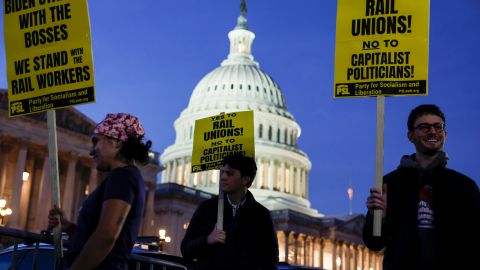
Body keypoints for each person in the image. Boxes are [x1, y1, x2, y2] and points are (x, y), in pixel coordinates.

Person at [363, 104, 480, 270]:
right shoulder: (389, 184)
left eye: (438, 126)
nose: (432, 131)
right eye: (424, 127)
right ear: (410, 136)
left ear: (445, 134)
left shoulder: (464, 187)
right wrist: (379, 216)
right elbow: (374, 243)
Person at [48, 113, 152, 270]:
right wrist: (69, 226)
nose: (91, 151)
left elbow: (107, 236)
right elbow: (95, 236)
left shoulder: (122, 177)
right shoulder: (124, 177)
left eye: (96, 142)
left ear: (116, 142)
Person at [181, 153, 279, 270]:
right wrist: (207, 240)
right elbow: (186, 250)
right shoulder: (207, 209)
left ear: (245, 179)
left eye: (229, 173)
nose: (223, 177)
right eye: (222, 172)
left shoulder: (261, 215)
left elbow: (270, 259)